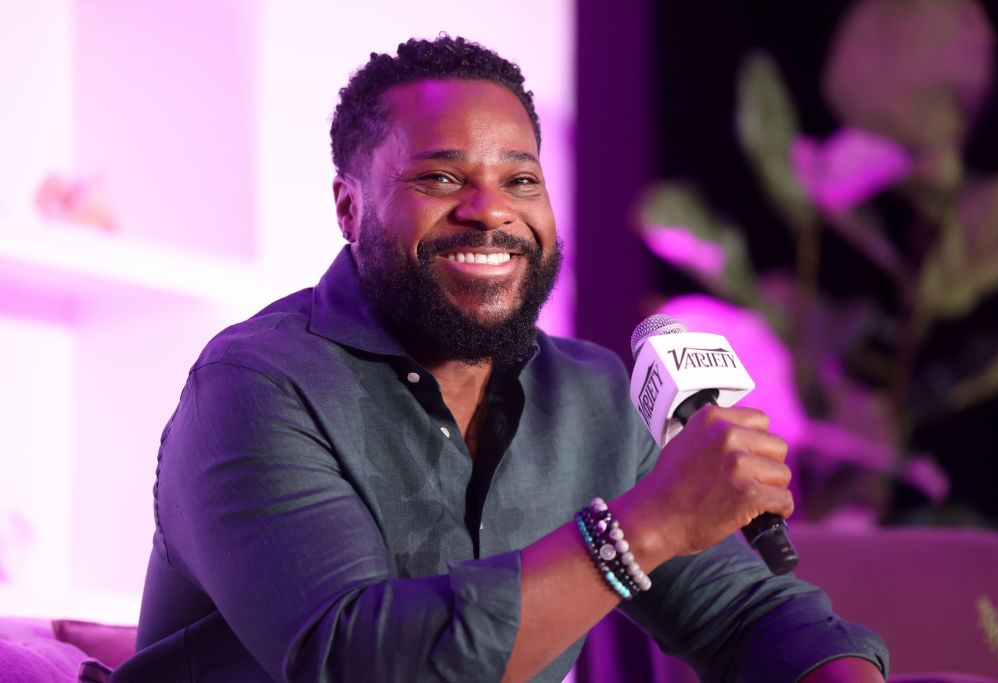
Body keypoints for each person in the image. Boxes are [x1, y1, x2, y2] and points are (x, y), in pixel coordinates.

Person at [112, 35, 888, 682]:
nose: (491, 209)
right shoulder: (255, 387)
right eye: (441, 177)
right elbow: (354, 661)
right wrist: (643, 528)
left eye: (520, 179)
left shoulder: (592, 396)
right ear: (349, 207)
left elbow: (747, 617)